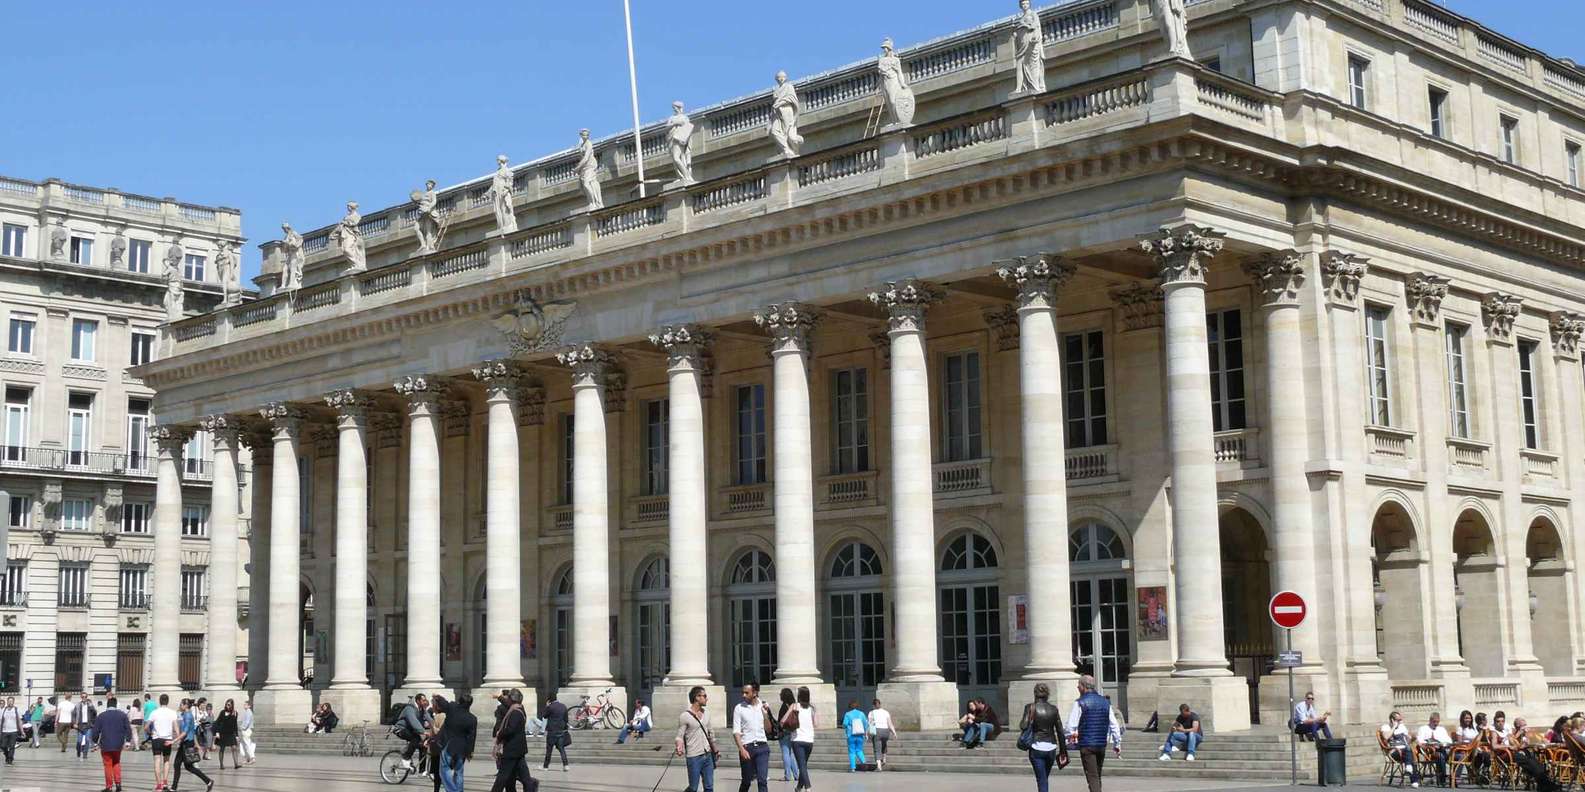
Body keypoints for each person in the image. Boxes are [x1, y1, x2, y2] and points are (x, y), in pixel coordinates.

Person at [1066, 676, 1121, 792]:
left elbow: (1070, 726)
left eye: (1079, 685)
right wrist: (1117, 743)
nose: (1077, 687)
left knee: (1092, 776)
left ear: (1083, 687)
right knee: (1097, 774)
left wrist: (1070, 738)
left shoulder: (1080, 702)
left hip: (1087, 744)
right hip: (1101, 744)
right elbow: (1114, 725)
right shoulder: (1105, 702)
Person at [491, 689, 534, 792]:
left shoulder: (515, 713)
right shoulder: (519, 708)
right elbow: (508, 704)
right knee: (523, 777)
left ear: (511, 699)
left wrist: (499, 734)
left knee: (502, 777)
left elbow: (510, 730)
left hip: (512, 750)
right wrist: (499, 697)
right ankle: (530, 788)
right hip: (519, 749)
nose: (507, 700)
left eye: (508, 698)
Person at [676, 686, 717, 792]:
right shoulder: (685, 716)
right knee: (693, 788)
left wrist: (715, 749)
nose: (706, 698)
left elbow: (710, 733)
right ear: (697, 697)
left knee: (709, 787)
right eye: (704, 696)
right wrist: (679, 746)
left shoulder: (707, 713)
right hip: (694, 756)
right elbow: (680, 736)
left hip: (707, 755)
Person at [732, 683, 771, 792]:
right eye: (743, 692)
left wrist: (766, 716)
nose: (743, 695)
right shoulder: (739, 708)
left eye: (746, 693)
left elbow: (769, 730)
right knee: (746, 781)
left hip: (762, 747)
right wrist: (741, 749)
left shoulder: (763, 706)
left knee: (762, 781)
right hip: (747, 747)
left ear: (755, 693)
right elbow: (736, 731)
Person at [171, 698, 215, 792]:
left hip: (187, 743)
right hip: (185, 742)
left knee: (180, 765)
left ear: (186, 705)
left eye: (181, 704)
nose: (180, 705)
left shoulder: (188, 716)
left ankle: (174, 788)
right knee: (185, 766)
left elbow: (186, 731)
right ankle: (208, 781)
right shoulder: (185, 714)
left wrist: (173, 741)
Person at [437, 693, 476, 792]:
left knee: (444, 770)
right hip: (462, 747)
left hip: (448, 744)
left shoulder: (452, 708)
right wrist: (470, 751)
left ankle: (452, 790)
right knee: (459, 772)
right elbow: (472, 737)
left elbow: (443, 703)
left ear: (459, 701)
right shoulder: (472, 718)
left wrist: (437, 696)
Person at [94, 694, 131, 792]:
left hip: (105, 744)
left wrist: (95, 742)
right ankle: (118, 784)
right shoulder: (123, 715)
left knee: (107, 765)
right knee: (116, 763)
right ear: (116, 705)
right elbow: (128, 729)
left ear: (107, 705)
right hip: (118, 744)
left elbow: (95, 731)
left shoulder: (101, 716)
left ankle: (109, 786)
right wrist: (128, 741)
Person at [146, 694, 179, 791]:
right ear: (167, 701)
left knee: (157, 761)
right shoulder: (172, 713)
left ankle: (158, 785)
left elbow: (146, 727)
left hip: (156, 739)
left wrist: (150, 733)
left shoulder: (154, 712)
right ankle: (165, 782)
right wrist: (178, 738)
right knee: (167, 761)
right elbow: (176, 727)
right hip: (167, 739)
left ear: (160, 701)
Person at [1380, 711, 1420, 788]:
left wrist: (1413, 738)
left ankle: (1409, 769)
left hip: (1405, 751)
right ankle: (1414, 780)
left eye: (1400, 720)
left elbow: (1408, 740)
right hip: (1394, 752)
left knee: (1410, 750)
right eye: (1398, 720)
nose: (1400, 722)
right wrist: (1394, 727)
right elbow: (1386, 737)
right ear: (1392, 720)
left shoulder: (1402, 727)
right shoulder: (1385, 727)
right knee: (1409, 751)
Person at [790, 687, 816, 791]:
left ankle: (808, 787)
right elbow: (816, 724)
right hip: (809, 740)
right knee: (803, 765)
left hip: (797, 739)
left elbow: (783, 720)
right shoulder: (812, 708)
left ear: (799, 695)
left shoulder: (795, 706)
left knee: (802, 766)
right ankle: (798, 787)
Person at [1417, 711, 1452, 787]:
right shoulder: (1423, 729)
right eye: (1434, 721)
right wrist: (1429, 744)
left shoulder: (1441, 729)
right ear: (1430, 720)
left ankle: (1454, 778)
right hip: (1429, 751)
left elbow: (1449, 741)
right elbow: (1419, 741)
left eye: (1437, 722)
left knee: (1454, 756)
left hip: (1442, 749)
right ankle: (1442, 779)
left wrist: (1443, 744)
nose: (1436, 723)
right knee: (1440, 756)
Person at [540, 694, 570, 771]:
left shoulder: (550, 707)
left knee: (549, 750)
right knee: (561, 749)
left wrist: (547, 706)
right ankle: (566, 765)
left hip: (552, 731)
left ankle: (546, 766)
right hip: (560, 731)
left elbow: (544, 716)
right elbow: (566, 719)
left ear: (549, 700)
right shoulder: (563, 706)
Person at [775, 689, 798, 781]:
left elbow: (781, 720)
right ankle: (796, 775)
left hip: (784, 731)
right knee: (791, 754)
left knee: (785, 753)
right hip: (792, 731)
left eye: (781, 694)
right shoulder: (794, 705)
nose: (780, 695)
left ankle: (787, 775)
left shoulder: (784, 706)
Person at [841, 700, 869, 772]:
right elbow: (865, 724)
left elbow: (845, 724)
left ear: (850, 706)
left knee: (852, 751)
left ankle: (853, 768)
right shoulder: (861, 714)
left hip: (851, 735)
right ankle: (864, 762)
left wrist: (846, 727)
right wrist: (865, 733)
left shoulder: (847, 714)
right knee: (859, 750)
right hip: (860, 735)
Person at [868, 698, 895, 771]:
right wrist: (894, 732)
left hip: (877, 731)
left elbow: (870, 724)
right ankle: (884, 759)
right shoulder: (886, 712)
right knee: (884, 744)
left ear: (873, 705)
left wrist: (868, 734)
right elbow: (890, 724)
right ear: (880, 704)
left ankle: (879, 766)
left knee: (877, 748)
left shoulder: (871, 713)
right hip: (886, 731)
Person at [213, 699, 239, 770]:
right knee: (222, 748)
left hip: (231, 733)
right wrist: (217, 732)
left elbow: (235, 725)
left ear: (232, 705)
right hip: (223, 733)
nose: (227, 706)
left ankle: (236, 764)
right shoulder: (223, 712)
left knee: (234, 747)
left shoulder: (235, 713)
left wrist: (236, 735)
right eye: (226, 704)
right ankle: (221, 764)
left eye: (229, 705)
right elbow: (217, 722)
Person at [0, 696, 21, 766]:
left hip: (14, 731)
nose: (10, 702)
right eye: (9, 701)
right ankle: (7, 755)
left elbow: (19, 721)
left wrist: (22, 731)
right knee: (3, 746)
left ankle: (10, 760)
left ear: (13, 702)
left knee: (12, 746)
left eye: (11, 701)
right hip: (4, 731)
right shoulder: (4, 710)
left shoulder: (16, 709)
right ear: (7, 702)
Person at [237, 699, 256, 765]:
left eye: (245, 704)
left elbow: (247, 722)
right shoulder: (247, 712)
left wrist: (242, 727)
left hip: (246, 730)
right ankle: (247, 758)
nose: (244, 705)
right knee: (243, 744)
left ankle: (252, 758)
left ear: (249, 706)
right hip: (246, 730)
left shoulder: (248, 712)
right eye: (244, 704)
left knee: (247, 744)